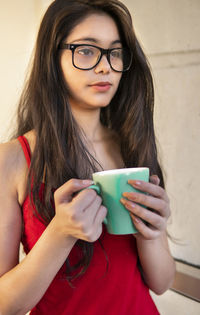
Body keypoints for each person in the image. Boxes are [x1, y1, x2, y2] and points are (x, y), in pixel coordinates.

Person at [0, 0, 175, 314]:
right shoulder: (13, 159)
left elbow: (161, 283)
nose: (105, 66)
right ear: (52, 58)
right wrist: (61, 233)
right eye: (86, 50)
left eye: (115, 52)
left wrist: (154, 231)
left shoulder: (131, 147)